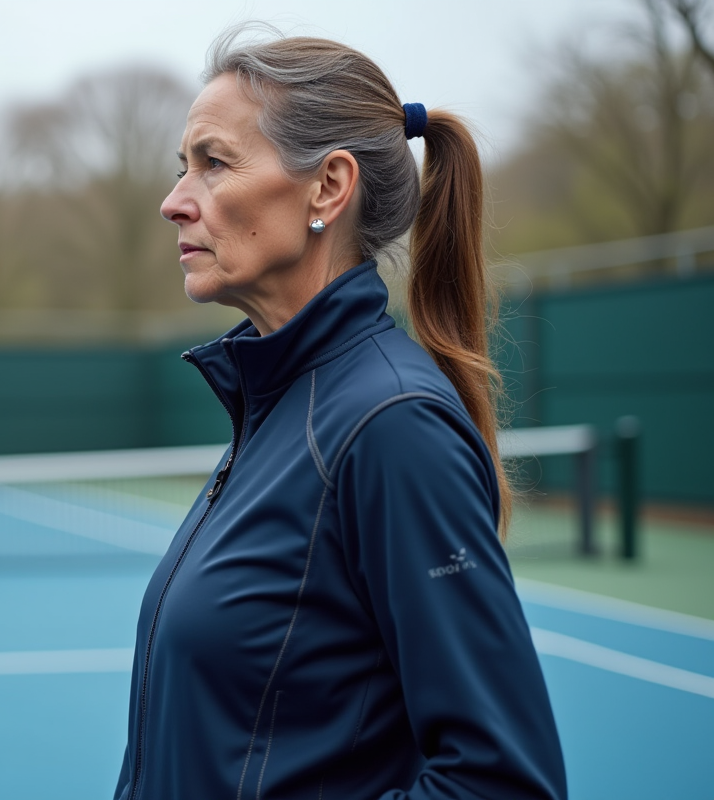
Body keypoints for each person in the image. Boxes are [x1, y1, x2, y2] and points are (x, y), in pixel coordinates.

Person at [114, 26, 567, 800]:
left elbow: (501, 783)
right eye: (181, 167)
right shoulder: (278, 403)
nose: (173, 201)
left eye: (213, 162)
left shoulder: (392, 428)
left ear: (328, 187)